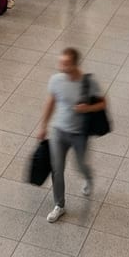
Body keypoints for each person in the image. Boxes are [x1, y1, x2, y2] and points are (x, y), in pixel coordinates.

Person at [34, 48, 104, 223]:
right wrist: (43, 126)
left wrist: (86, 108)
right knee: (57, 169)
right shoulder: (56, 80)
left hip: (80, 134)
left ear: (74, 64)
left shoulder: (88, 83)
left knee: (80, 165)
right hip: (59, 131)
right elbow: (50, 103)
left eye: (65, 63)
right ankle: (60, 205)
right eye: (60, 62)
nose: (61, 66)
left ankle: (88, 177)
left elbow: (103, 103)